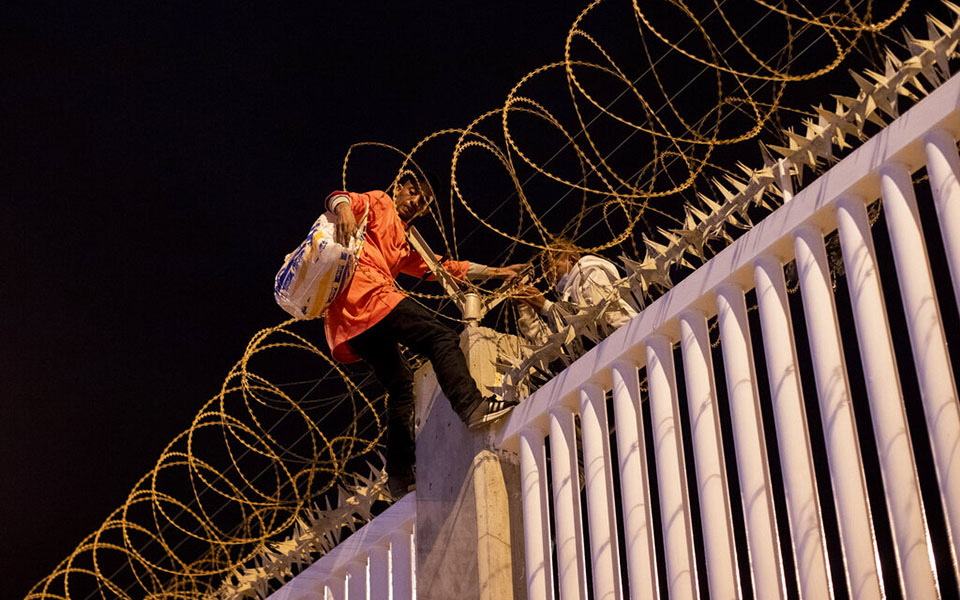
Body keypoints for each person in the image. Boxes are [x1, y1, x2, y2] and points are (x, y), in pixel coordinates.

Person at [324, 172, 523, 496]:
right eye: (413, 191)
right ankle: (472, 406)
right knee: (440, 338)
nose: (415, 201)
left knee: (401, 384)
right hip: (371, 296)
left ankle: (400, 478)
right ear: (399, 188)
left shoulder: (405, 243)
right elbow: (339, 197)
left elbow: (444, 268)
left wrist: (498, 272)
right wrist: (344, 208)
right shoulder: (381, 201)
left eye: (423, 201)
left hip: (350, 323)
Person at [517, 240, 637, 343]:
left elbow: (595, 311)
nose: (551, 278)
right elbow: (553, 345)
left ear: (572, 260)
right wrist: (525, 306)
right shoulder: (568, 297)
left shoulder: (590, 272)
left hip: (628, 335)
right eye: (547, 274)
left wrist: (547, 308)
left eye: (554, 268)